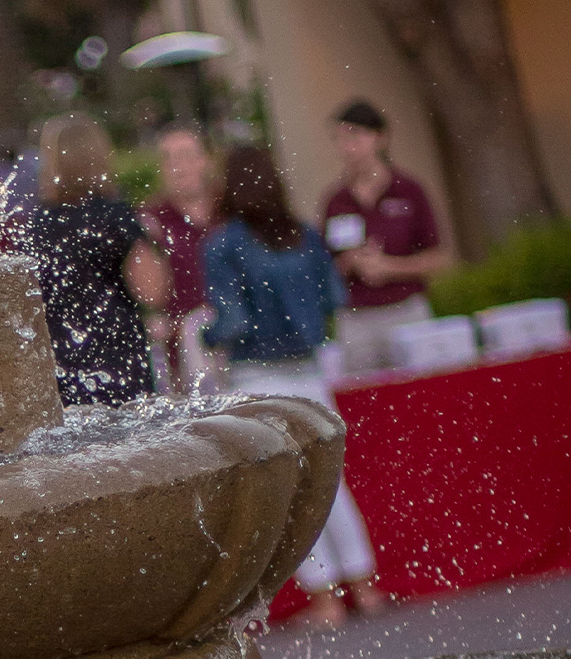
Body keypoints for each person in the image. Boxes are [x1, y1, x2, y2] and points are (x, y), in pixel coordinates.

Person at [203, 146, 388, 628]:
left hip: (257, 375)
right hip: (311, 371)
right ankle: (366, 589)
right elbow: (335, 296)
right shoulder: (305, 235)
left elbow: (232, 322)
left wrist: (202, 333)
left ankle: (325, 600)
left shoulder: (224, 245)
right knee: (331, 484)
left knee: (290, 490)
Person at [27, 114, 171, 406]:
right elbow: (153, 293)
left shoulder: (38, 224)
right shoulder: (115, 216)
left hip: (62, 360)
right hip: (119, 355)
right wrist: (147, 238)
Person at [322, 99, 449, 374]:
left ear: (380, 137)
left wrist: (389, 267)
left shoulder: (409, 191)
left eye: (355, 136)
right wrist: (352, 262)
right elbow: (325, 268)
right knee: (365, 400)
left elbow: (436, 258)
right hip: (357, 319)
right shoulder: (336, 201)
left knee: (421, 391)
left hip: (406, 311)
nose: (347, 148)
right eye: (339, 139)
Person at [140, 124, 219, 392]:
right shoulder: (152, 221)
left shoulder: (229, 211)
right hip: (182, 357)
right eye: (168, 159)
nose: (177, 166)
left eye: (185, 155)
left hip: (240, 347)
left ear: (204, 160)